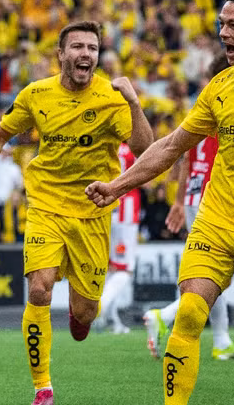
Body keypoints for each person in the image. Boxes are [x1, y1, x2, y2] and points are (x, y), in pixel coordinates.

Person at [86, 0, 234, 405]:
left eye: (233, 25)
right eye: (220, 24)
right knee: (192, 311)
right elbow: (171, 146)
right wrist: (117, 186)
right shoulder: (219, 86)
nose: (223, 33)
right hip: (215, 219)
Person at [0, 20, 154, 405]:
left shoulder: (110, 98)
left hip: (92, 211)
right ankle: (43, 387)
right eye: (78, 47)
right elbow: (2, 132)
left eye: (92, 48)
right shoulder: (37, 94)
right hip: (45, 205)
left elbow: (145, 150)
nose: (85, 54)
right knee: (39, 288)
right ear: (61, 53)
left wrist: (134, 104)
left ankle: (80, 315)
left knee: (86, 312)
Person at [142, 54, 234, 361]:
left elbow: (187, 151)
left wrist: (179, 201)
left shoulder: (203, 101)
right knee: (219, 271)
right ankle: (167, 316)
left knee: (214, 270)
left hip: (194, 194)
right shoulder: (231, 98)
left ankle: (219, 340)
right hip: (214, 195)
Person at [94, 143, 141, 335]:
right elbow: (144, 177)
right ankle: (100, 306)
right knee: (125, 269)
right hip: (126, 211)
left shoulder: (107, 145)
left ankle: (113, 321)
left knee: (112, 268)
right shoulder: (131, 151)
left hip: (106, 209)